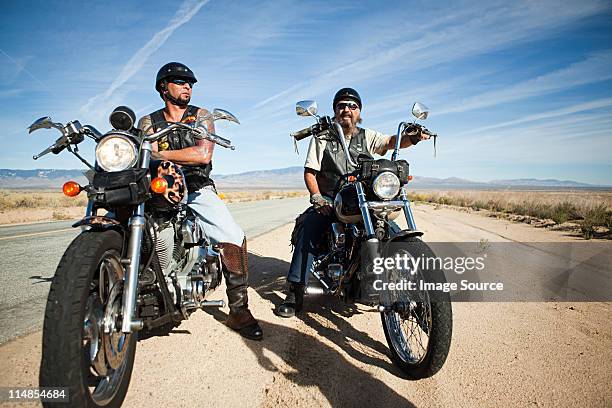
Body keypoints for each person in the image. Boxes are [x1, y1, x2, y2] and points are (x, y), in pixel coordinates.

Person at [275, 87, 430, 318]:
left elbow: (390, 142)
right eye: (341, 105)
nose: (347, 110)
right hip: (331, 196)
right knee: (309, 227)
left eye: (352, 106)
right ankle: (295, 292)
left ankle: (422, 301)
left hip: (364, 197)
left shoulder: (367, 136)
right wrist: (317, 197)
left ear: (359, 112)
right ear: (335, 110)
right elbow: (310, 172)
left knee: (390, 230)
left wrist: (412, 138)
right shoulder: (323, 137)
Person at [138, 62, 263, 340]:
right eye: (180, 81)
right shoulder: (148, 121)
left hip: (195, 185)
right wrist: (158, 157)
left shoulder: (201, 116)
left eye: (190, 83)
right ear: (163, 87)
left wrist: (161, 154)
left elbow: (202, 154)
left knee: (233, 236)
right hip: (159, 186)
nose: (187, 86)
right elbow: (145, 153)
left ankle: (239, 310)